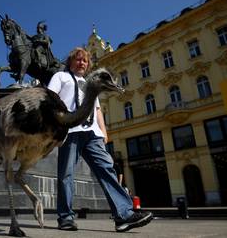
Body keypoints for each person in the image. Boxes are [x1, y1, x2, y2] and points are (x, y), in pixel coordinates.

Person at [48, 47, 153, 232]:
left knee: (107, 169)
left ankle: (124, 215)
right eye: (78, 60)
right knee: (66, 174)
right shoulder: (61, 77)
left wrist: (104, 132)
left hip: (93, 134)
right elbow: (50, 99)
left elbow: (97, 110)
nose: (82, 63)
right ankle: (65, 218)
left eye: (85, 61)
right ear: (70, 62)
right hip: (70, 131)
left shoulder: (91, 83)